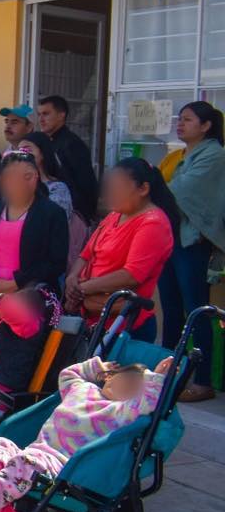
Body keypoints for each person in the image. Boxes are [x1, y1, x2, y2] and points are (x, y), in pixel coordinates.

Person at [0, 356, 168, 512]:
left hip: (61, 463)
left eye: (134, 387)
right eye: (126, 379)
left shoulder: (121, 412)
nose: (126, 385)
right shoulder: (83, 389)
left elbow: (148, 403)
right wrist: (95, 366)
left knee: (27, 463)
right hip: (37, 448)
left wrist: (155, 376)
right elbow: (68, 373)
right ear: (109, 377)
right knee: (3, 443)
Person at [65, 158, 177, 342]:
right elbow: (85, 254)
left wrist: (82, 290)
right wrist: (72, 279)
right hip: (92, 318)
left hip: (124, 326)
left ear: (143, 189)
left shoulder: (153, 223)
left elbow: (131, 275)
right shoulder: (115, 214)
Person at [160, 101, 225, 402]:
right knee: (172, 310)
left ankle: (201, 381)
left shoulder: (213, 155)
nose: (180, 123)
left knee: (196, 311)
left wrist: (154, 186)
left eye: (187, 119)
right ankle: (167, 373)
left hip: (193, 242)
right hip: (171, 240)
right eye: (179, 118)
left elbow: (178, 190)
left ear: (206, 126)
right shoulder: (180, 154)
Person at [0, 151, 69, 308]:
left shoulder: (52, 213)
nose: (23, 182)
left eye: (29, 176)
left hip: (32, 298)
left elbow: (56, 263)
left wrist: (16, 283)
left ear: (37, 176)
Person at [0, 284, 61, 412]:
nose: (13, 298)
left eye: (17, 298)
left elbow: (20, 317)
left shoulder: (29, 325)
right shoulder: (7, 322)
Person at [18, 130, 89, 268]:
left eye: (27, 149)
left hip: (45, 264)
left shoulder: (58, 189)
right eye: (19, 150)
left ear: (43, 153)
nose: (22, 154)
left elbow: (49, 226)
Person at [36, 94, 99, 221]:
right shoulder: (46, 143)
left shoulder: (71, 144)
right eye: (39, 114)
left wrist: (81, 217)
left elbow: (86, 185)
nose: (41, 119)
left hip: (71, 216)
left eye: (46, 114)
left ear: (61, 115)